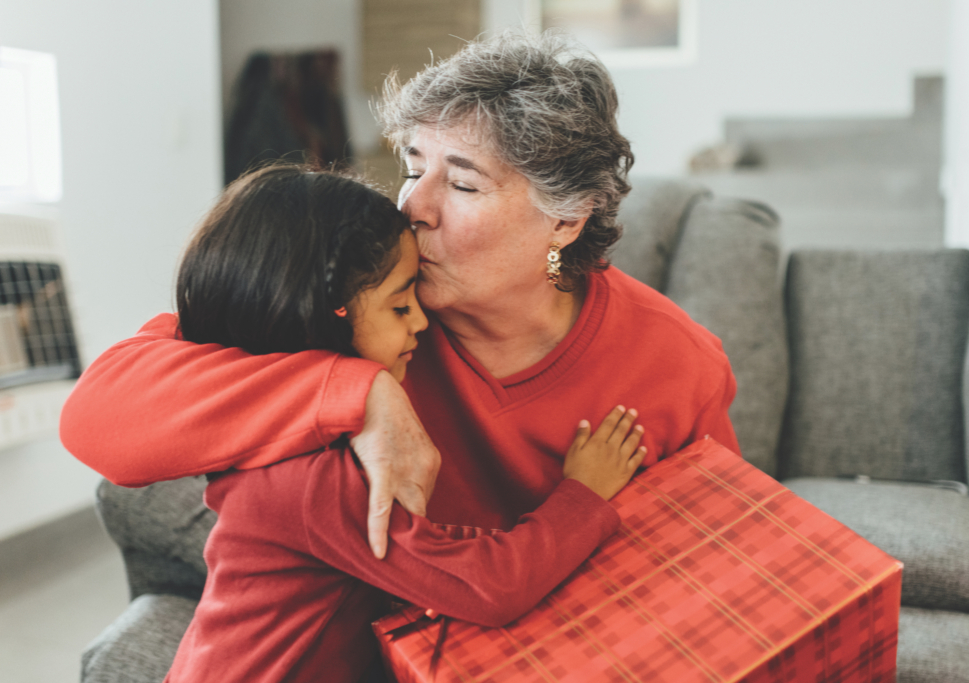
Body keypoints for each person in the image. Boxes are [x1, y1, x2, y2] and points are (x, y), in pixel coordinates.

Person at [60, 31, 739, 559]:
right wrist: (361, 394)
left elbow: (716, 566)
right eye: (413, 167)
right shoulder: (361, 301)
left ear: (565, 217)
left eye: (464, 184)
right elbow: (96, 419)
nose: (414, 205)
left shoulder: (676, 364)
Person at [153, 163, 646, 682]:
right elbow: (489, 586)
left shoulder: (298, 433)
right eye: (398, 304)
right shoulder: (312, 478)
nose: (420, 320)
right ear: (327, 314)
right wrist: (584, 493)